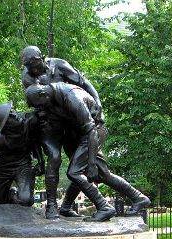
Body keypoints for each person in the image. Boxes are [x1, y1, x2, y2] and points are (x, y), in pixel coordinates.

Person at [25, 82, 150, 222]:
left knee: (75, 172)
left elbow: (91, 131)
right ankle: (138, 198)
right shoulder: (54, 95)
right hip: (83, 135)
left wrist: (91, 163)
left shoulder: (71, 97)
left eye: (39, 105)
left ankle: (104, 207)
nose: (41, 108)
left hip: (92, 134)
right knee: (102, 174)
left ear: (43, 95)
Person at [20, 45, 103, 219]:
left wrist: (97, 101)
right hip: (49, 122)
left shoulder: (59, 65)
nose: (33, 69)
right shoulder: (28, 76)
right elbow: (37, 99)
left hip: (73, 119)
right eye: (29, 65)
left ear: (41, 57)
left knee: (77, 165)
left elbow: (84, 82)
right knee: (55, 157)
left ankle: (66, 206)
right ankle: (51, 205)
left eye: (35, 63)